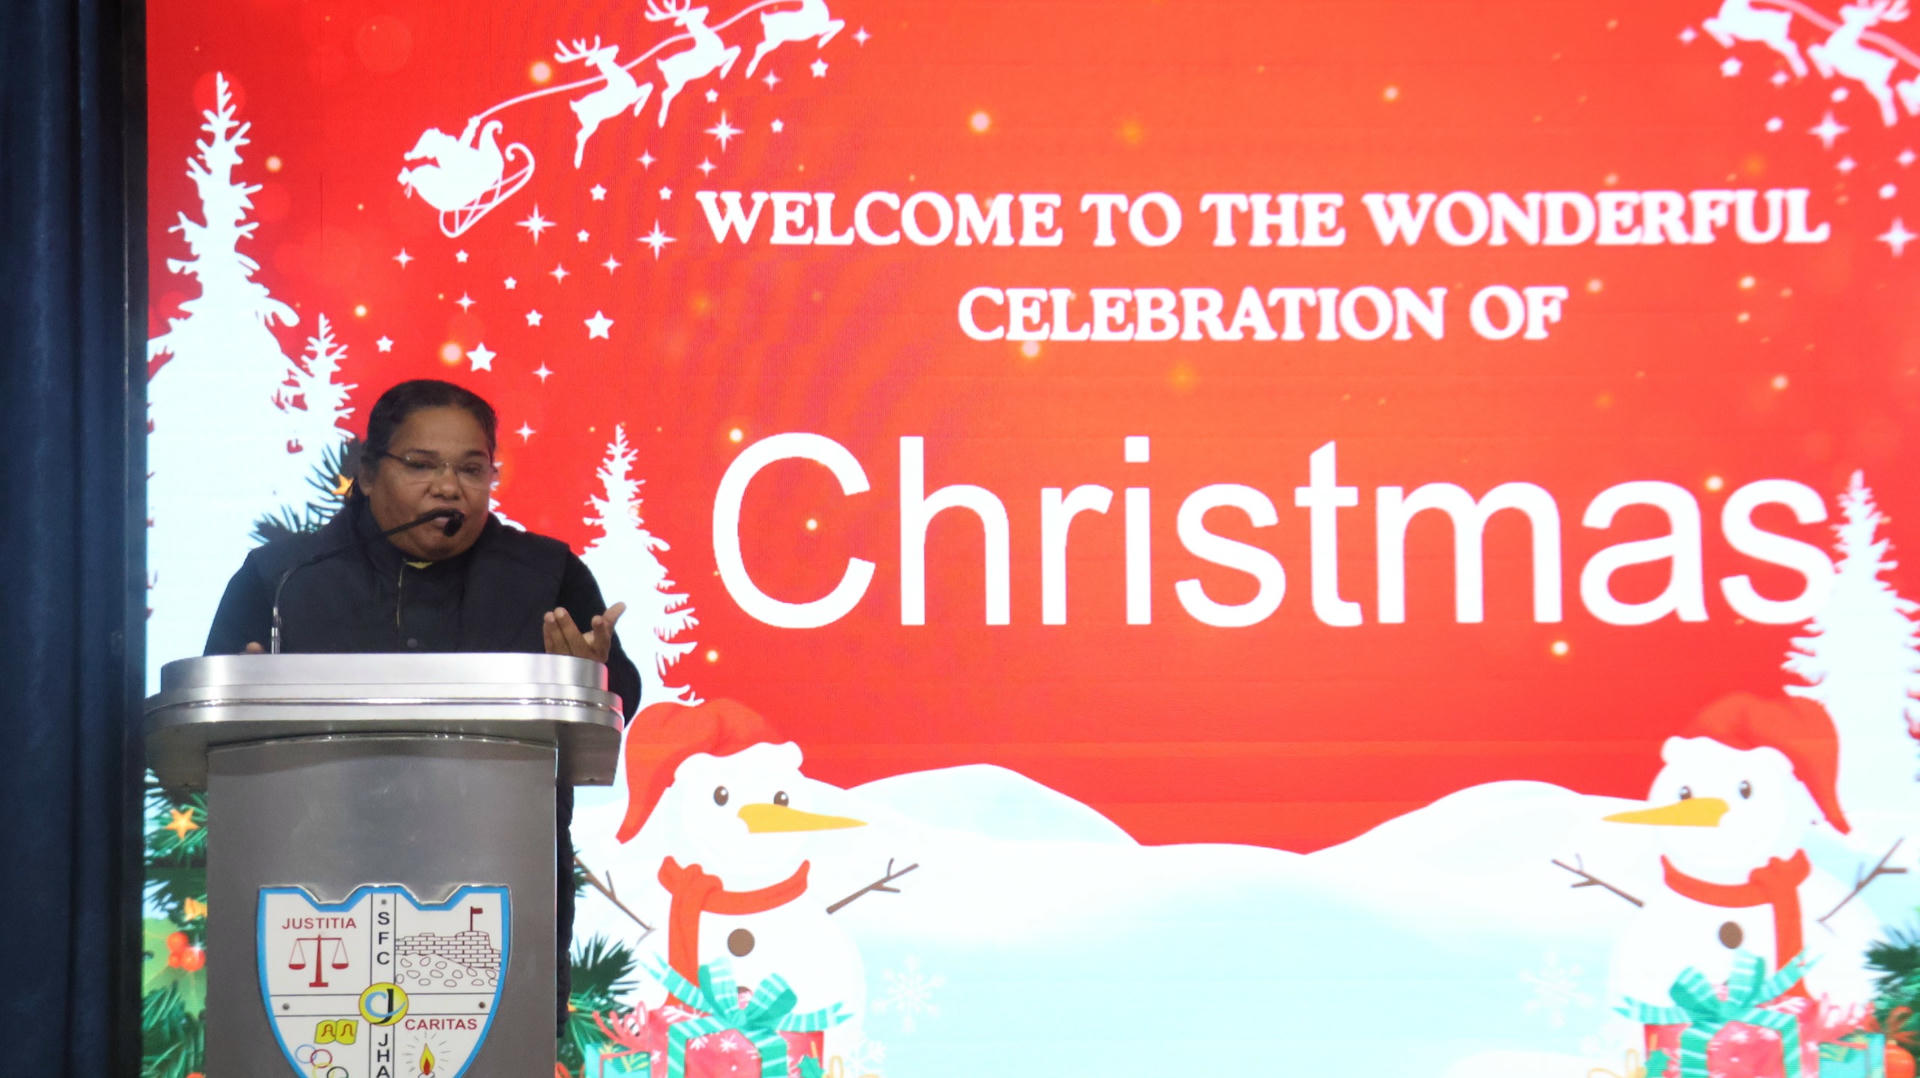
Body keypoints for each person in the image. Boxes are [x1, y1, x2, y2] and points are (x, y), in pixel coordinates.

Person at [204, 378, 641, 1035]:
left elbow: (617, 696)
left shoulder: (545, 575)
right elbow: (213, 707)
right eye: (421, 465)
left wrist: (589, 679)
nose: (448, 487)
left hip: (497, 898)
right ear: (367, 471)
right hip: (312, 900)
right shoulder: (285, 578)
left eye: (471, 469)